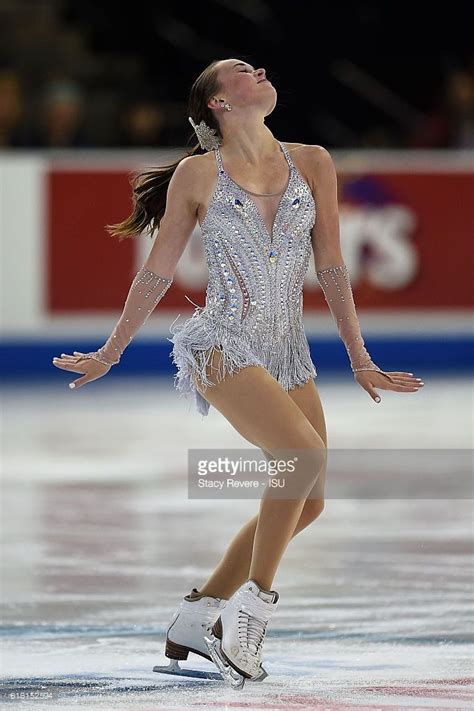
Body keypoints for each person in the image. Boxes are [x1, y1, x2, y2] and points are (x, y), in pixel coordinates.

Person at [52, 58, 424, 687]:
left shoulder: (313, 162)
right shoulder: (198, 175)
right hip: (221, 342)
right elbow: (157, 270)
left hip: (288, 350)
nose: (259, 70)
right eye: (242, 71)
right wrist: (111, 350)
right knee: (298, 459)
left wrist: (359, 356)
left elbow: (332, 264)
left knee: (309, 503)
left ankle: (197, 614)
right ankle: (248, 615)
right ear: (218, 104)